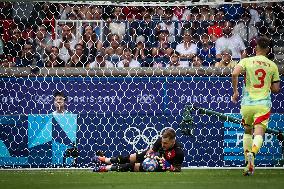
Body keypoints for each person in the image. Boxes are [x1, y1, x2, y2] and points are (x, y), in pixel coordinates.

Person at [231, 36, 280, 176]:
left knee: (247, 131)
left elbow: (234, 73)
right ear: (268, 49)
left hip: (247, 104)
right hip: (263, 104)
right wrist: (267, 83)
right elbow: (276, 89)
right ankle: (253, 153)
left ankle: (248, 163)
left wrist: (235, 92)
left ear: (256, 47)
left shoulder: (246, 60)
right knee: (259, 132)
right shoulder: (272, 65)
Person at [92, 128, 184, 172]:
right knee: (131, 157)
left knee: (132, 166)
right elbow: (151, 151)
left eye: (165, 143)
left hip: (159, 166)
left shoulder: (178, 152)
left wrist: (169, 166)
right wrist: (149, 155)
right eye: (162, 142)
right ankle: (105, 160)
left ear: (173, 141)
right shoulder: (161, 140)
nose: (162, 144)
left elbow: (177, 169)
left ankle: (105, 168)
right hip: (154, 158)